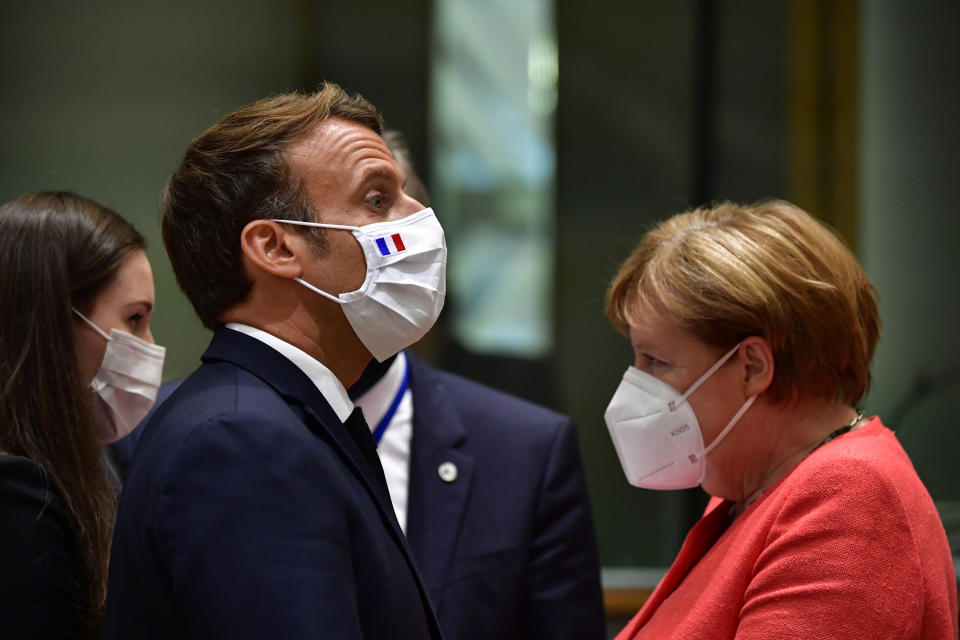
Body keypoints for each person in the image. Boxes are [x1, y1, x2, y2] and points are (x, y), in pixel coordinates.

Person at [106, 84, 444, 639]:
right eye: (378, 200)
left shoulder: (277, 414)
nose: (420, 218)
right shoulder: (242, 441)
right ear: (277, 248)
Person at [602, 200, 957, 639]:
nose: (634, 385)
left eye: (655, 360)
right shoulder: (750, 492)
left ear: (751, 367)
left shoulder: (849, 497)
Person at [346, 131, 606, 640]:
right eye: (377, 202)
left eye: (413, 205)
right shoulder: (197, 433)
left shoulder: (526, 451)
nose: (409, 230)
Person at [0, 191, 164, 639]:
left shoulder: (94, 461)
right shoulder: (17, 494)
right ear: (51, 320)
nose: (150, 346)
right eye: (134, 319)